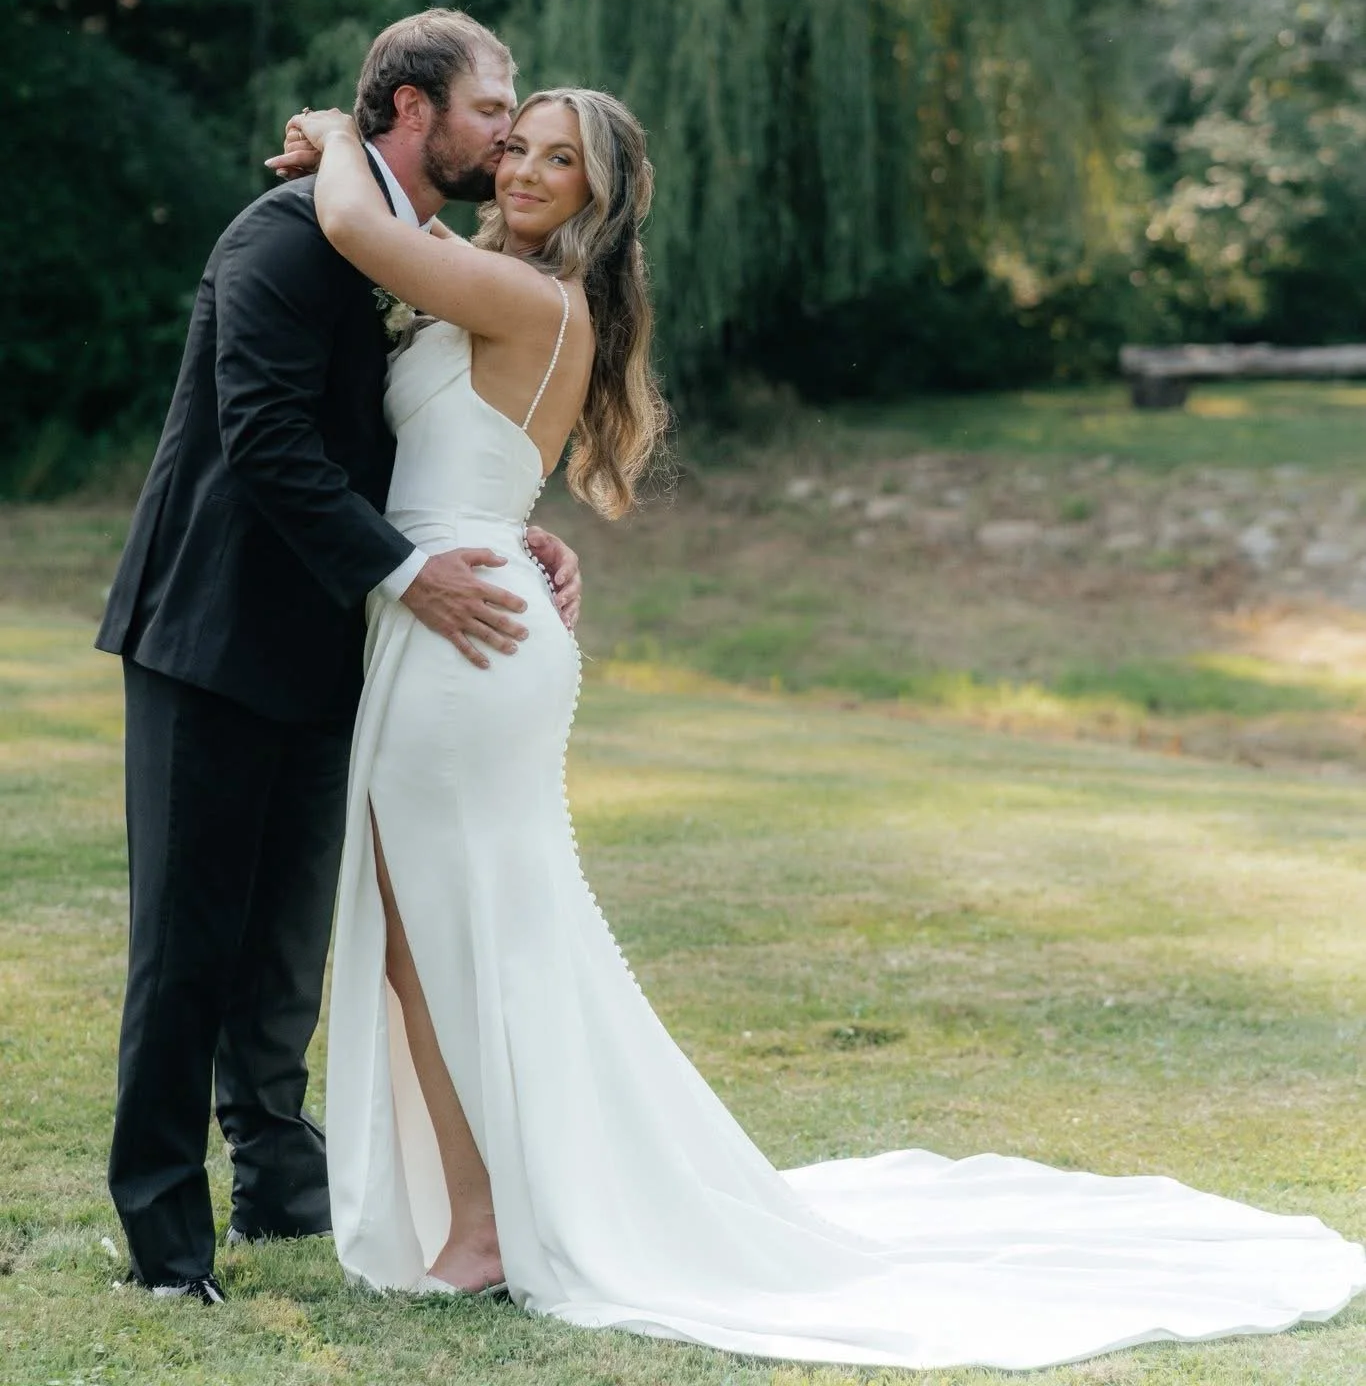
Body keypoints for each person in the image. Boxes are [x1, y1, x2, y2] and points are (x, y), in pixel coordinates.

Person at [279, 86, 1364, 1371]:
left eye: (554, 159)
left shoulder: (532, 297)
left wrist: (336, 133)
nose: (519, 167)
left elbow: (353, 227)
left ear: (596, 195)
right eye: (514, 144)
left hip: (472, 638)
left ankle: (490, 1222)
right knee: (422, 939)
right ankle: (484, 1214)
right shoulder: (491, 284)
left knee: (467, 934)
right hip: (453, 606)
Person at [95, 9, 581, 1304]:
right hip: (211, 635)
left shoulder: (403, 247)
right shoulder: (278, 235)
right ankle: (162, 1237)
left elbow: (429, 437)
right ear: (414, 110)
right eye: (492, 108)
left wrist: (504, 535)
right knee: (186, 943)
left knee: (285, 948)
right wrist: (408, 568)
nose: (504, 132)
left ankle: (278, 1180)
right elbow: (263, 437)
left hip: (338, 649)